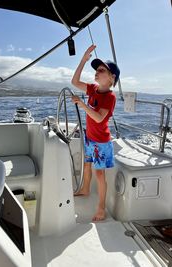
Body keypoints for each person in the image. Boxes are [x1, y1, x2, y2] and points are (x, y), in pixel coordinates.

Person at [71, 44, 120, 221]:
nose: (97, 72)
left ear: (111, 78)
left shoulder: (110, 97)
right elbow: (74, 82)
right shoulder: (92, 89)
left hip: (101, 142)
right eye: (97, 70)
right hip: (90, 138)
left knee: (100, 174)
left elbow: (99, 118)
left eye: (101, 70)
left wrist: (82, 105)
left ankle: (101, 208)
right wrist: (83, 60)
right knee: (86, 165)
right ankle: (84, 189)